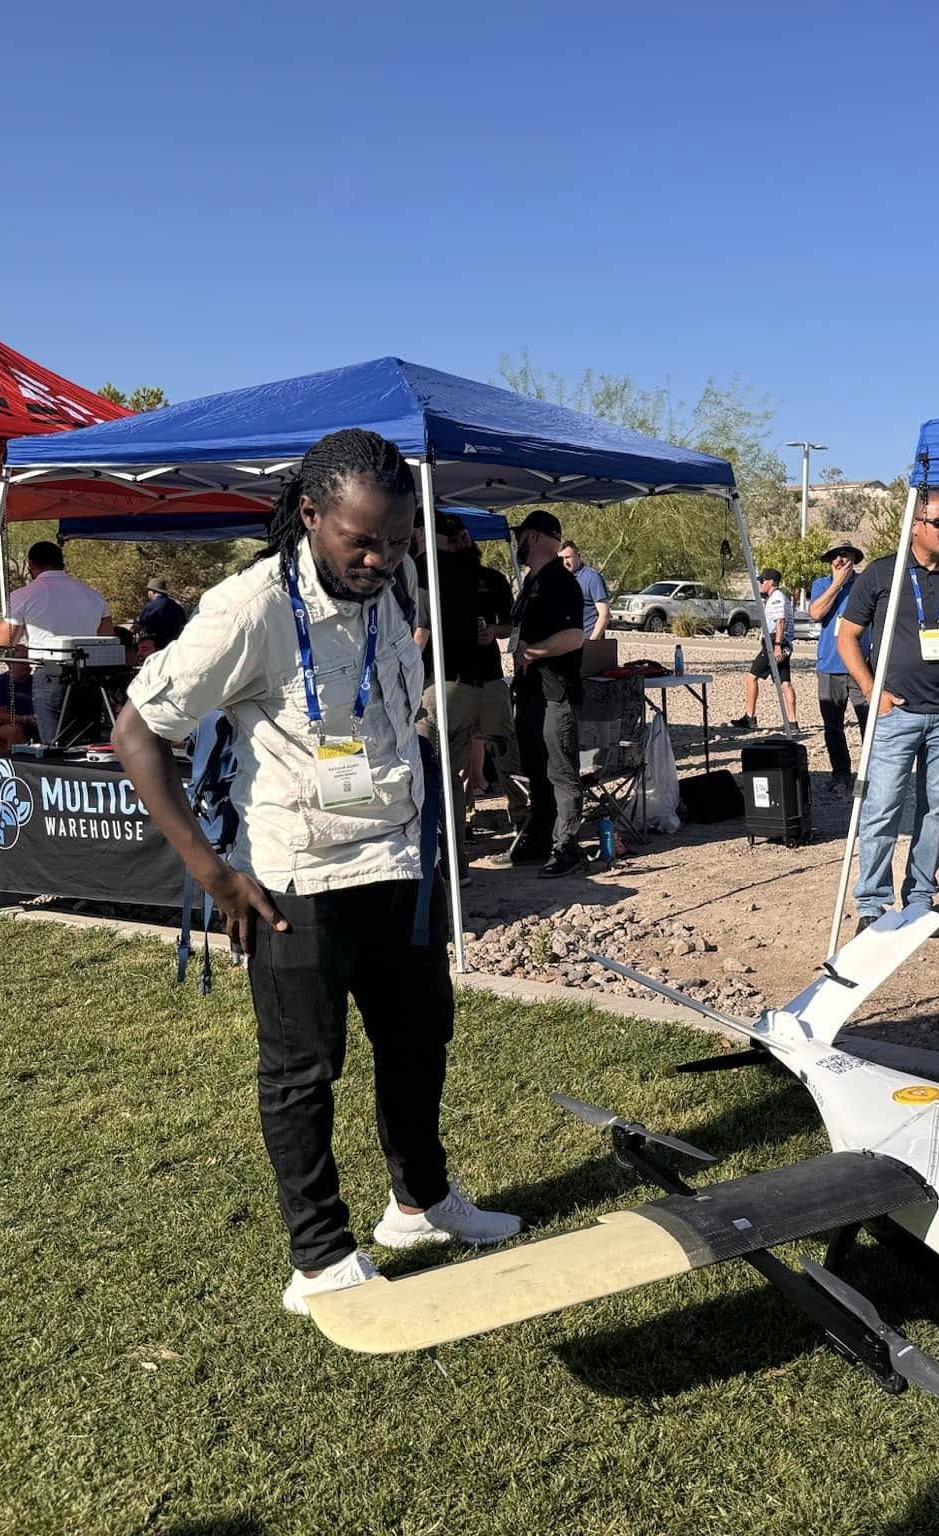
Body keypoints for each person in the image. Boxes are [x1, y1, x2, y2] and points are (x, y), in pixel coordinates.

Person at [111, 428, 519, 1319]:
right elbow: (138, 734)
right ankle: (321, 1256)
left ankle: (418, 1203)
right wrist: (215, 875)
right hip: (297, 878)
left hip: (397, 860)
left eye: (398, 541)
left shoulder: (397, 576)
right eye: (361, 542)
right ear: (310, 516)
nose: (380, 560)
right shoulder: (247, 608)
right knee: (304, 1069)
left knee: (419, 1039)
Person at [836, 490, 939, 935]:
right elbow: (846, 637)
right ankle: (871, 902)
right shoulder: (882, 574)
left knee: (937, 809)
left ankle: (921, 899)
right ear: (916, 526)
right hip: (895, 712)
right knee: (882, 806)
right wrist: (873, 692)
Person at [427, 513, 530, 842]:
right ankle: (460, 826)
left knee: (505, 750)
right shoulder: (432, 578)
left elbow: (513, 626)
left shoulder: (492, 579)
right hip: (450, 679)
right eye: (454, 539)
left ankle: (525, 821)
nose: (461, 543)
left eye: (465, 538)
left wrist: (494, 633)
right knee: (454, 760)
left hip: (489, 676)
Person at [508, 510, 588, 876]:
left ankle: (567, 845)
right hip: (529, 694)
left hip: (555, 693)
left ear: (536, 537)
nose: (517, 542)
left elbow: (575, 637)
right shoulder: (532, 582)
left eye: (521, 535)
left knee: (561, 772)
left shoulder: (561, 583)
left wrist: (534, 652)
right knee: (536, 770)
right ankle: (540, 837)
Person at [0, 541, 111, 747]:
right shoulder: (94, 595)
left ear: (32, 565)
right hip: (89, 676)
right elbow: (107, 637)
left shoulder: (25, 594)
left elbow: (5, 639)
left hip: (51, 673)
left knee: (55, 745)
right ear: (61, 563)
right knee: (88, 744)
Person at [808, 543, 868, 793]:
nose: (840, 559)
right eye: (834, 556)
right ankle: (840, 773)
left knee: (868, 722)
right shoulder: (822, 584)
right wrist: (837, 584)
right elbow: (815, 613)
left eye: (844, 554)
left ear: (853, 557)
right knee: (833, 725)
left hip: (861, 665)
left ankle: (870, 775)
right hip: (829, 666)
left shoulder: (866, 583)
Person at [730, 567, 799, 731]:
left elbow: (780, 622)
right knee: (785, 682)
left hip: (774, 642)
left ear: (771, 582)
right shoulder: (777, 598)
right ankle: (793, 722)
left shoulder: (776, 598)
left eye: (762, 581)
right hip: (781, 643)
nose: (760, 584)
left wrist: (776, 646)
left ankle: (750, 717)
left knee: (751, 677)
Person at [560, 540, 610, 641]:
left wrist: (592, 642)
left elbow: (604, 614)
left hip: (587, 642)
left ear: (578, 556)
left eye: (568, 557)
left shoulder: (592, 578)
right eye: (561, 559)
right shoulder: (560, 579)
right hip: (567, 644)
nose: (565, 562)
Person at [137, 577, 188, 653]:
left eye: (148, 590)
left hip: (155, 646)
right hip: (173, 645)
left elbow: (140, 626)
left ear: (153, 592)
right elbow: (184, 624)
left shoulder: (150, 606)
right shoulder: (176, 606)